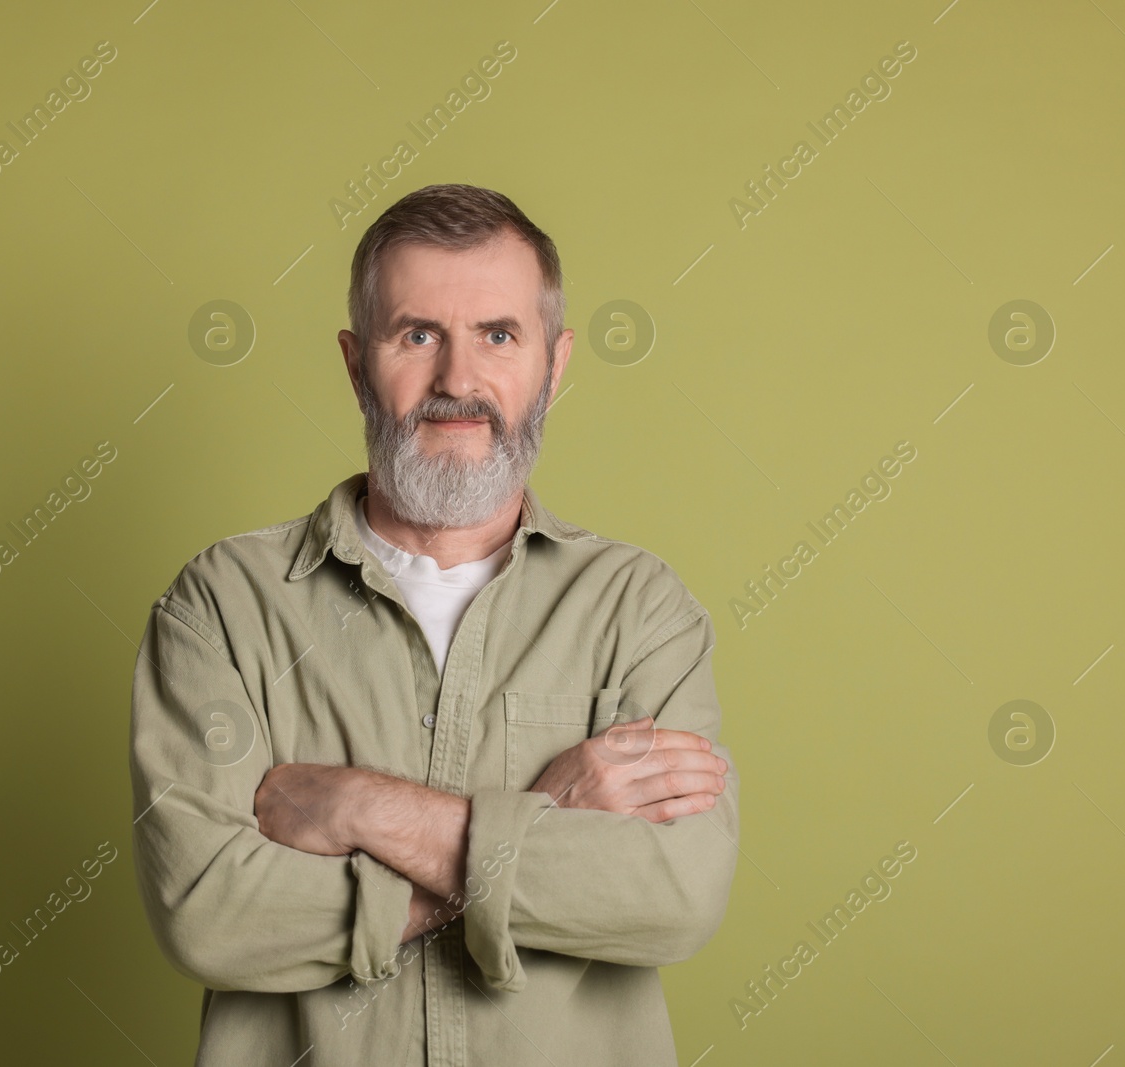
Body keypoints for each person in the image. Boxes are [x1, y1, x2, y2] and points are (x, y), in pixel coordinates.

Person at [129, 183, 738, 1066]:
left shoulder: (639, 609)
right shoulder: (222, 605)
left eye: (499, 334)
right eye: (418, 334)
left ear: (555, 365)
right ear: (353, 362)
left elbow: (672, 895)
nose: (458, 380)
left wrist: (356, 805)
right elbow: (208, 913)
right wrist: (547, 818)